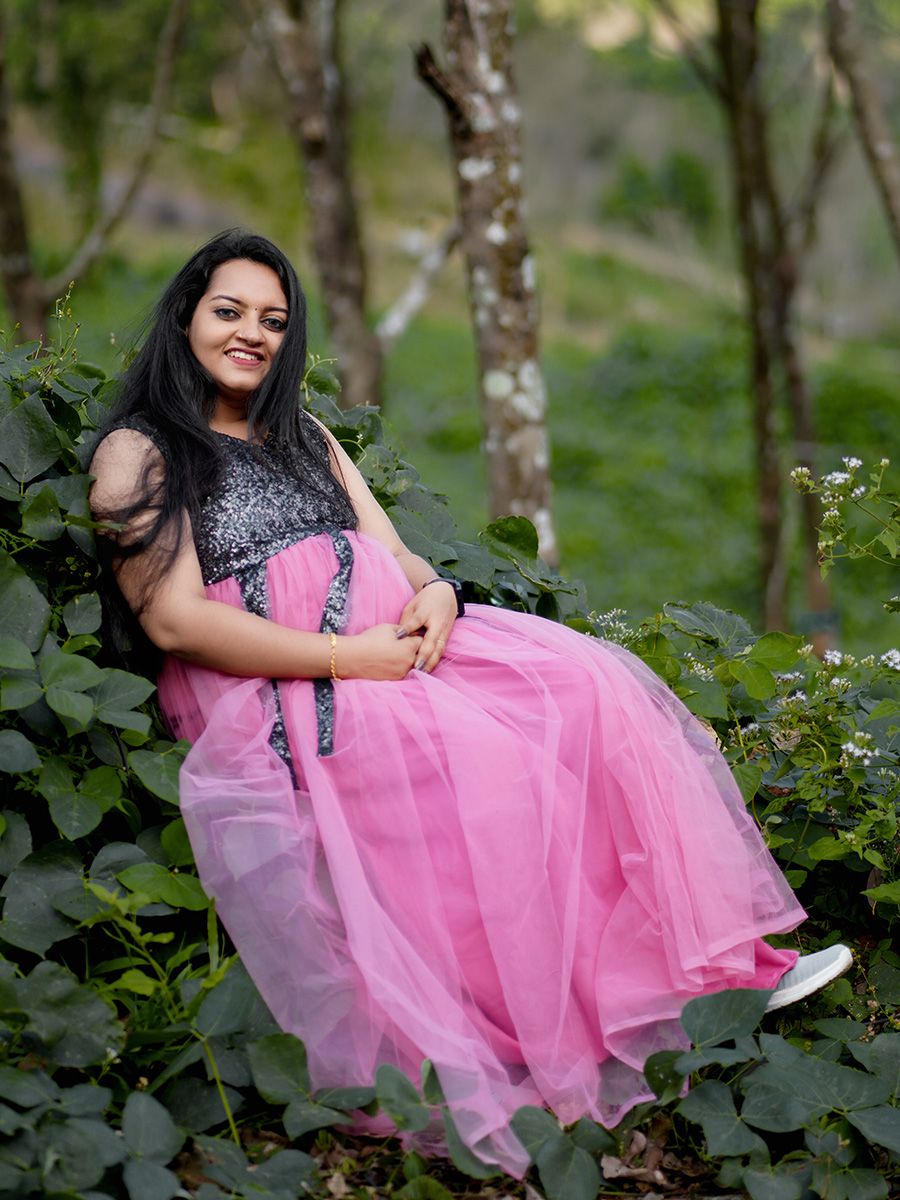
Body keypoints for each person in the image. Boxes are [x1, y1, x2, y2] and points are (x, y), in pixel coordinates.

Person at [89, 230, 851, 1176]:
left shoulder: (306, 436)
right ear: (185, 316)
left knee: (595, 688)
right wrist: (346, 659)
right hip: (286, 684)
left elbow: (395, 549)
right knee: (497, 771)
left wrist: (435, 589)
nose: (252, 334)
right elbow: (171, 623)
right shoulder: (141, 451)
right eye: (230, 311)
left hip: (396, 647)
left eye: (274, 321)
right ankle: (625, 1009)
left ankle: (720, 971)